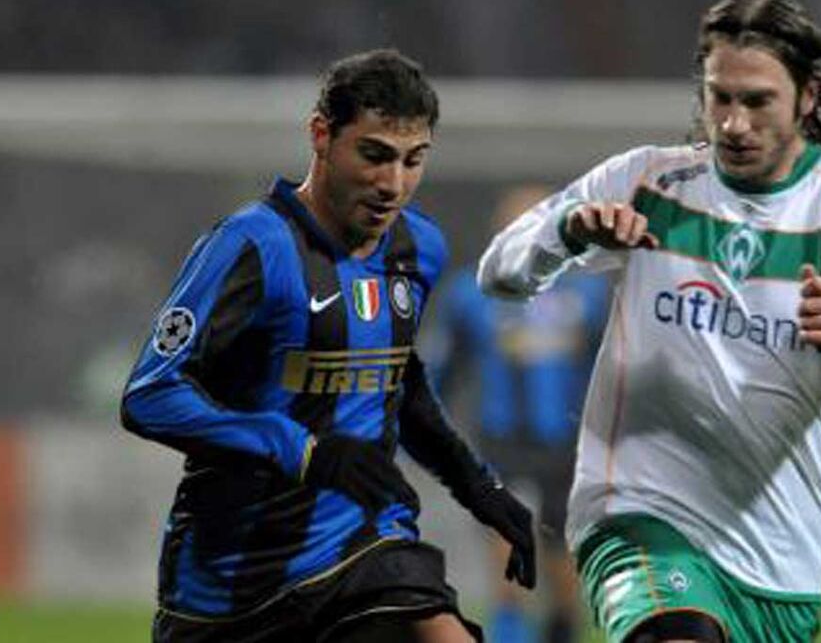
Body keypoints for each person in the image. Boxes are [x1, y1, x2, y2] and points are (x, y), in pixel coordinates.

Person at [477, 0, 821, 643]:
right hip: (637, 516)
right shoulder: (646, 182)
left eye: (757, 101)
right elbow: (498, 272)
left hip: (778, 562)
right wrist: (569, 232)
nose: (734, 123)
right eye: (719, 98)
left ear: (807, 98)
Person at [121, 48, 535, 643]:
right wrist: (304, 451)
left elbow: (398, 380)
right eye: (374, 155)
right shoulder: (251, 245)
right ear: (321, 134)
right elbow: (149, 395)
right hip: (232, 585)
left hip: (364, 551)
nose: (394, 184)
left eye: (413, 160)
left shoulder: (418, 248)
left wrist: (479, 486)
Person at [425, 185, 610, 643]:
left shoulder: (588, 294)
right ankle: (510, 627)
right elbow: (444, 366)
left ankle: (563, 625)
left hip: (567, 440)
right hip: (500, 437)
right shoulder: (471, 293)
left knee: (561, 541)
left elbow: (611, 366)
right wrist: (426, 427)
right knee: (504, 530)